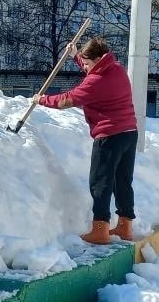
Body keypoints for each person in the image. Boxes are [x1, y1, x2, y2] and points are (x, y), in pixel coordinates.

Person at [33, 37, 138, 244]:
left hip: (109, 136)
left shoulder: (95, 82)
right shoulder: (117, 69)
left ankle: (100, 229)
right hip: (129, 132)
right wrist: (76, 57)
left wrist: (42, 99)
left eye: (87, 63)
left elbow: (67, 100)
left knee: (100, 182)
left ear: (98, 59)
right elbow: (94, 71)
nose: (86, 67)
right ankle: (125, 226)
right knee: (122, 181)